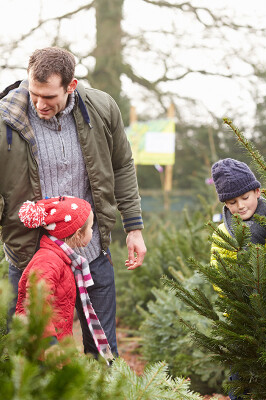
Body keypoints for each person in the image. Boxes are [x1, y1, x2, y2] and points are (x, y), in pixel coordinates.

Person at [0, 47, 146, 358]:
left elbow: (122, 165)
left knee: (104, 354)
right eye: (34, 93)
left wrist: (134, 227)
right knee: (33, 358)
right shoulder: (5, 121)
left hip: (90, 254)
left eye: (49, 97)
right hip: (31, 260)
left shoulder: (102, 108)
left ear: (71, 86)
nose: (40, 104)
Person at [15, 196, 113, 363]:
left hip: (57, 343)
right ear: (77, 234)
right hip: (41, 350)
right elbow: (38, 304)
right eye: (91, 227)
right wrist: (50, 344)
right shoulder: (48, 261)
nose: (93, 232)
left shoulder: (62, 258)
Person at [211, 158, 266, 400]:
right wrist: (239, 299)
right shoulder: (224, 232)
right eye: (232, 202)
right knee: (241, 375)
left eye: (245, 198)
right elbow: (219, 272)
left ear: (257, 191)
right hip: (242, 317)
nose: (240, 206)